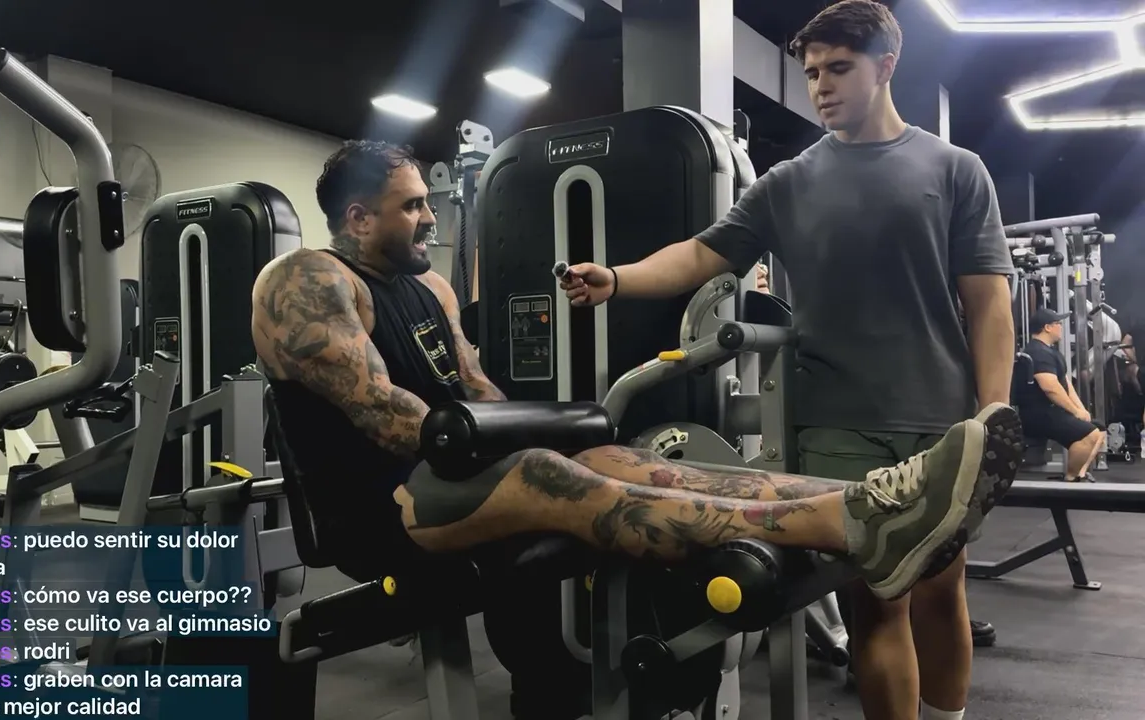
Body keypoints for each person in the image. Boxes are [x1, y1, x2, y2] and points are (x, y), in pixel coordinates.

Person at [252, 138, 1020, 719]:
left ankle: (867, 506)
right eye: (412, 206)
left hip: (451, 475)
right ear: (358, 218)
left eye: (426, 202)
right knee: (549, 473)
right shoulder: (307, 282)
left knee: (614, 455)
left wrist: (541, 437)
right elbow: (387, 418)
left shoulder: (432, 292)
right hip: (382, 509)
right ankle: (851, 526)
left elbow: (479, 393)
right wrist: (517, 451)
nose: (428, 217)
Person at [558, 2, 1013, 718]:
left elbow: (988, 304)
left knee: (940, 590)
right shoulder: (790, 180)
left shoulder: (956, 169)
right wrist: (619, 278)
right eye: (811, 73)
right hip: (835, 422)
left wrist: (992, 416)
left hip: (940, 419)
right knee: (876, 600)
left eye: (839, 69)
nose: (821, 86)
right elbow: (701, 254)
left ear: (886, 67)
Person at [1019, 307, 1105, 482]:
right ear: (1047, 327)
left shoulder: (1051, 352)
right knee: (1089, 435)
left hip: (1051, 411)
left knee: (1099, 429)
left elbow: (1065, 385)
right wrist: (1074, 411)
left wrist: (1081, 410)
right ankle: (1071, 478)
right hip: (1038, 414)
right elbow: (1050, 387)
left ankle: (1080, 473)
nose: (1061, 327)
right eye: (1058, 323)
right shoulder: (1038, 352)